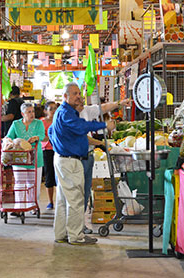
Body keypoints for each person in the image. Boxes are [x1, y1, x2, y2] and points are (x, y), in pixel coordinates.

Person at [48, 82, 115, 245]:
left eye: (79, 93)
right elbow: (81, 127)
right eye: (74, 94)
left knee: (64, 200)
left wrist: (61, 144)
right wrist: (104, 125)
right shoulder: (66, 113)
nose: (78, 96)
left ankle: (61, 234)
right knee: (76, 200)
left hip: (63, 159)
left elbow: (50, 132)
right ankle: (76, 236)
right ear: (65, 96)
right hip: (70, 161)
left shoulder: (64, 112)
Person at [77, 98, 132, 234]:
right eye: (76, 96)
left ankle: (78, 226)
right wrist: (101, 143)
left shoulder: (85, 110)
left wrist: (120, 103)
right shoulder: (70, 116)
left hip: (88, 156)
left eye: (80, 96)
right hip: (78, 159)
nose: (79, 99)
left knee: (84, 194)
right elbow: (83, 137)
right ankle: (75, 228)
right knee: (77, 195)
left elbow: (103, 107)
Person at [6, 102, 45, 215]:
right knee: (19, 182)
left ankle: (33, 206)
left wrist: (37, 137)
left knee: (33, 184)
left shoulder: (39, 123)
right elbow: (9, 136)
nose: (32, 114)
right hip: (19, 158)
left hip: (35, 157)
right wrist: (8, 141)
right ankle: (19, 207)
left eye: (32, 111)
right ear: (23, 113)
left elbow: (42, 135)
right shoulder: (16, 124)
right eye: (29, 112)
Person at [41, 101, 58, 210]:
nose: (53, 111)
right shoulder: (42, 122)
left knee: (60, 176)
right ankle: (50, 201)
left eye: (55, 108)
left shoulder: (60, 120)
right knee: (49, 176)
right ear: (45, 110)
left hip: (59, 150)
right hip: (47, 150)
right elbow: (42, 137)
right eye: (51, 108)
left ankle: (60, 200)